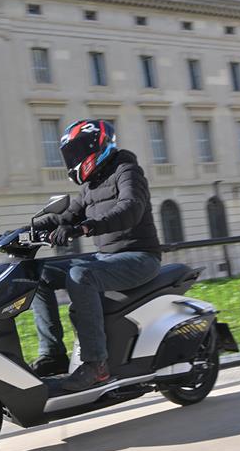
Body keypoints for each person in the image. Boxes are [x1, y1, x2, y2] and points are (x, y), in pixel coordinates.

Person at [32, 119, 161, 392]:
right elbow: (65, 216)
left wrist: (87, 226)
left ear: (97, 146)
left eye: (78, 152)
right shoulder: (90, 184)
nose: (74, 159)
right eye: (71, 154)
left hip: (140, 257)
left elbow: (131, 207)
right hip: (106, 258)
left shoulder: (127, 170)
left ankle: (96, 365)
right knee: (39, 274)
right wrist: (24, 230)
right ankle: (53, 354)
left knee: (81, 275)